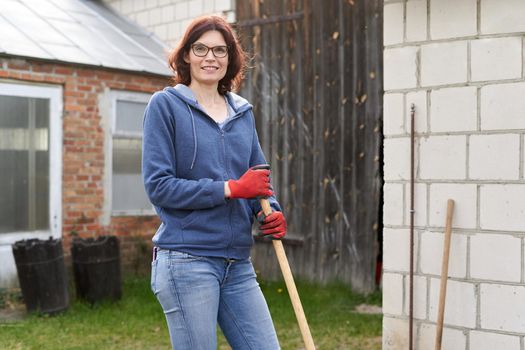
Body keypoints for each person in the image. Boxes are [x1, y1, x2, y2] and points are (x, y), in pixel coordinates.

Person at [142, 15, 287, 350]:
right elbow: (159, 186)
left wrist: (270, 212)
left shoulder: (241, 112)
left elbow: (258, 181)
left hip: (237, 264)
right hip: (186, 260)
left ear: (230, 58)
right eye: (201, 48)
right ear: (187, 56)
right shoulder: (165, 106)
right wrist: (231, 189)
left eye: (220, 50)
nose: (211, 57)